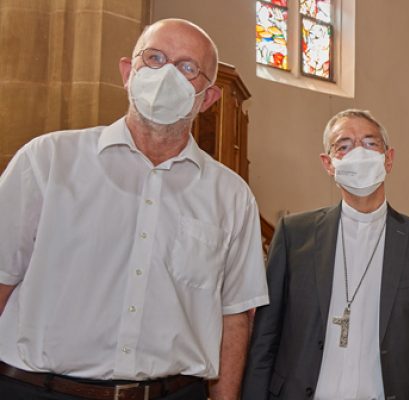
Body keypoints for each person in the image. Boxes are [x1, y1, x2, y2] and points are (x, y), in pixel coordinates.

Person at [0, 19, 268, 400]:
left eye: (188, 68)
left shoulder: (231, 196)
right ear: (129, 72)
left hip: (172, 391)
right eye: (155, 58)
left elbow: (235, 315)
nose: (167, 74)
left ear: (208, 99)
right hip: (39, 388)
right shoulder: (47, 160)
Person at [242, 109, 409, 400]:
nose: (358, 154)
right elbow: (265, 337)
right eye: (344, 146)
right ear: (329, 163)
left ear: (388, 159)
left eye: (370, 143)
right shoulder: (294, 234)